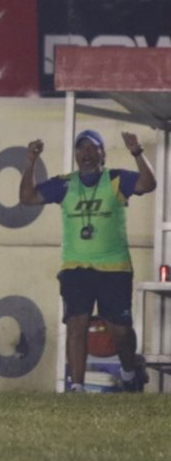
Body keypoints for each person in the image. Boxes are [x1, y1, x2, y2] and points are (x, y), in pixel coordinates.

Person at [19, 129, 156, 393]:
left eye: (93, 149)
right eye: (81, 149)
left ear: (102, 154)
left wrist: (137, 152)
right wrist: (30, 163)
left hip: (114, 268)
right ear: (76, 155)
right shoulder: (66, 184)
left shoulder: (115, 179)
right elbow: (27, 197)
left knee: (120, 331)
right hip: (76, 267)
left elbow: (148, 184)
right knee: (76, 325)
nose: (87, 154)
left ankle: (130, 372)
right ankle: (78, 388)